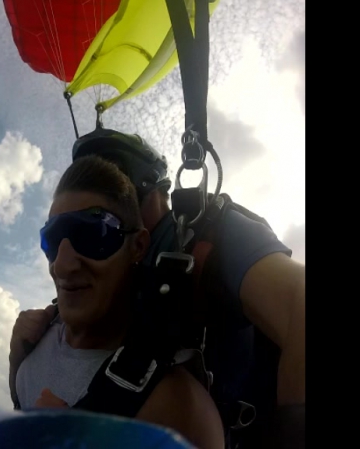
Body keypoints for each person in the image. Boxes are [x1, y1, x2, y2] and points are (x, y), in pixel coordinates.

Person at [10, 128, 305, 448]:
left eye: (96, 223)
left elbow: (299, 304)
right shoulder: (105, 270)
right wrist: (22, 354)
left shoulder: (212, 232)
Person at [14, 154, 225, 449]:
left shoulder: (175, 407)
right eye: (51, 240)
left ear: (137, 246)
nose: (61, 265)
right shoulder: (35, 338)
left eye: (92, 234)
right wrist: (16, 358)